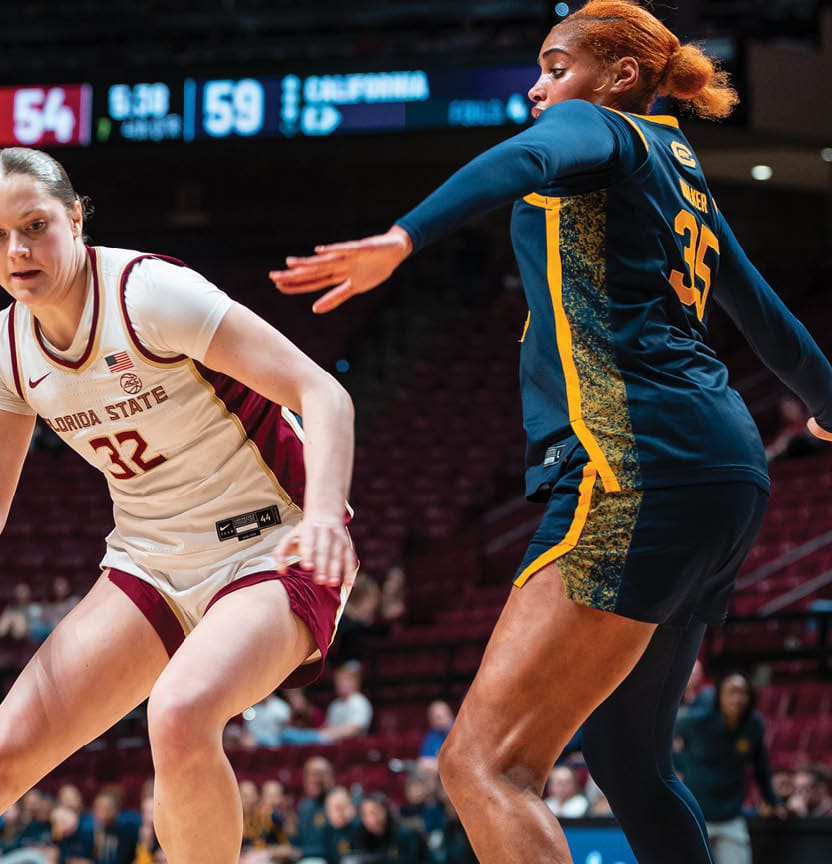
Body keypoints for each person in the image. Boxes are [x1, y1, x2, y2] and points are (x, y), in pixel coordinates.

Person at [271, 3, 832, 863]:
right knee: (629, 762)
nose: (539, 87)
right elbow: (766, 317)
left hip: (638, 460)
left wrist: (403, 236)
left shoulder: (595, 127)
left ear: (620, 77)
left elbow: (531, 153)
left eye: (556, 66)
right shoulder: (681, 167)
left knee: (482, 765)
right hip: (725, 472)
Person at [0, 140, 357, 864]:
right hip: (150, 562)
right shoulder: (5, 349)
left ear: (76, 218)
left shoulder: (148, 294)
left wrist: (322, 518)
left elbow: (324, 393)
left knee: (181, 713)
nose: (17, 250)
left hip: (274, 544)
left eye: (35, 226)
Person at [675, 673, 780, 864]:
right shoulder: (696, 721)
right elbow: (664, 735)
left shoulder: (754, 726)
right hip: (696, 818)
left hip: (731, 818)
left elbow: (761, 768)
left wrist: (773, 801)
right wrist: (679, 763)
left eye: (743, 693)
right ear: (719, 697)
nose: (738, 699)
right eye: (732, 692)